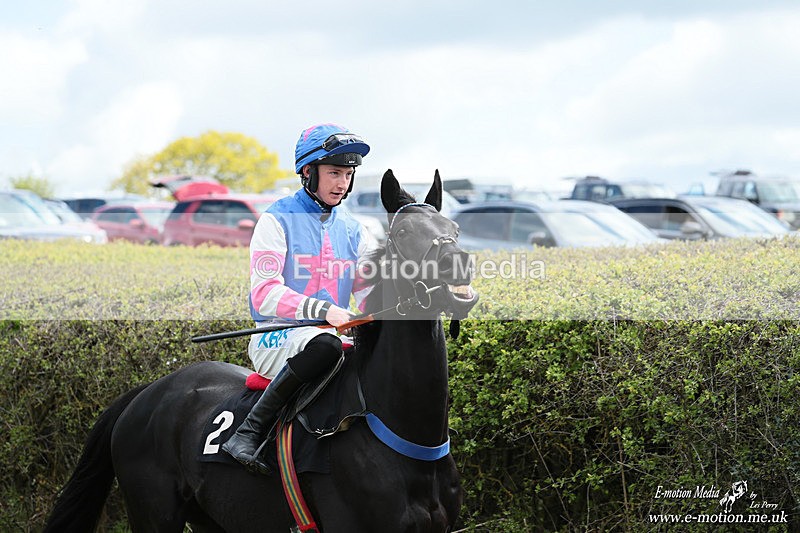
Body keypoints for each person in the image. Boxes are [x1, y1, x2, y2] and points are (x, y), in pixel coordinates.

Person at [222, 123, 375, 469]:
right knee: (325, 346)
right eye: (334, 173)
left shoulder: (354, 230)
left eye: (348, 174)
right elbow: (264, 294)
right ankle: (248, 433)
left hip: (330, 336)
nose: (342, 183)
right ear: (308, 172)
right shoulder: (276, 220)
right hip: (276, 336)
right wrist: (326, 310)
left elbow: (368, 291)